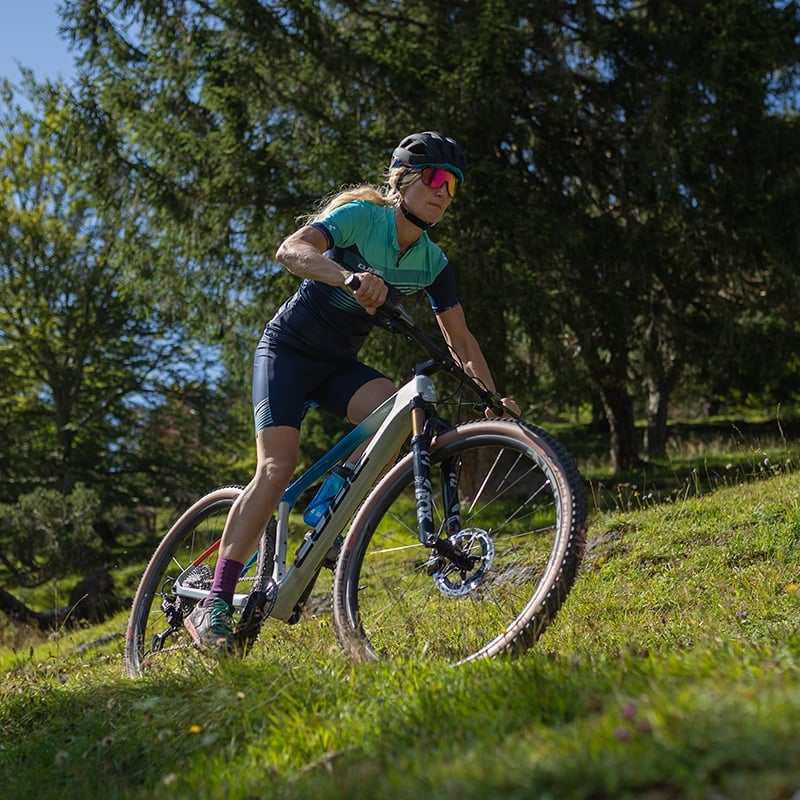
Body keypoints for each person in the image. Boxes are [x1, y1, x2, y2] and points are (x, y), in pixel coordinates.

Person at [184, 131, 519, 652]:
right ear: (401, 179)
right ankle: (214, 603)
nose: (443, 192)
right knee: (275, 470)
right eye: (434, 178)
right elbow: (291, 251)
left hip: (338, 365)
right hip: (287, 354)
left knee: (395, 411)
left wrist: (492, 402)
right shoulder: (362, 220)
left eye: (453, 186)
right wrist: (348, 278)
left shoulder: (433, 262)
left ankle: (326, 509)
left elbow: (461, 341)